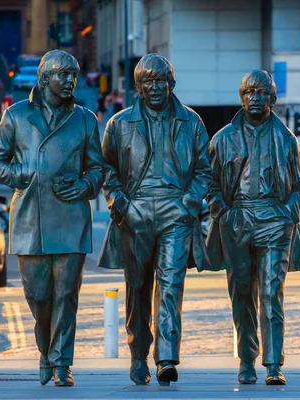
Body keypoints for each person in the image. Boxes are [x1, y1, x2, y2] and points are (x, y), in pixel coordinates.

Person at [0, 50, 105, 387]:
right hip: (30, 219)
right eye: (63, 75)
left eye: (73, 75)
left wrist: (84, 185)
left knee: (67, 295)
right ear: (44, 79)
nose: (70, 81)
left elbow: (98, 169)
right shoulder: (17, 116)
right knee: (39, 296)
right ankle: (45, 350)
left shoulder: (85, 119)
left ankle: (62, 362)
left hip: (71, 218)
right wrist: (23, 172)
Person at [98, 53, 211, 386]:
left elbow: (205, 170)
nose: (156, 87)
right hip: (135, 213)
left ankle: (166, 357)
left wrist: (188, 202)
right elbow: (106, 168)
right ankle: (138, 354)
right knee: (137, 288)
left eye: (161, 81)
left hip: (176, 213)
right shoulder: (119, 124)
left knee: (171, 284)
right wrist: (121, 204)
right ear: (139, 87)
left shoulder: (191, 122)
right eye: (148, 82)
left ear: (171, 83)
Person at [206, 70, 300, 385]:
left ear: (272, 99)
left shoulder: (285, 139)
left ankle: (274, 362)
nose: (254, 98)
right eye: (248, 92)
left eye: (261, 92)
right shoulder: (223, 139)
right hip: (237, 222)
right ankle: (247, 359)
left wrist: (286, 215)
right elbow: (209, 185)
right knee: (241, 295)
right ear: (241, 98)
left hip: (273, 223)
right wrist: (223, 213)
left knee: (270, 293)